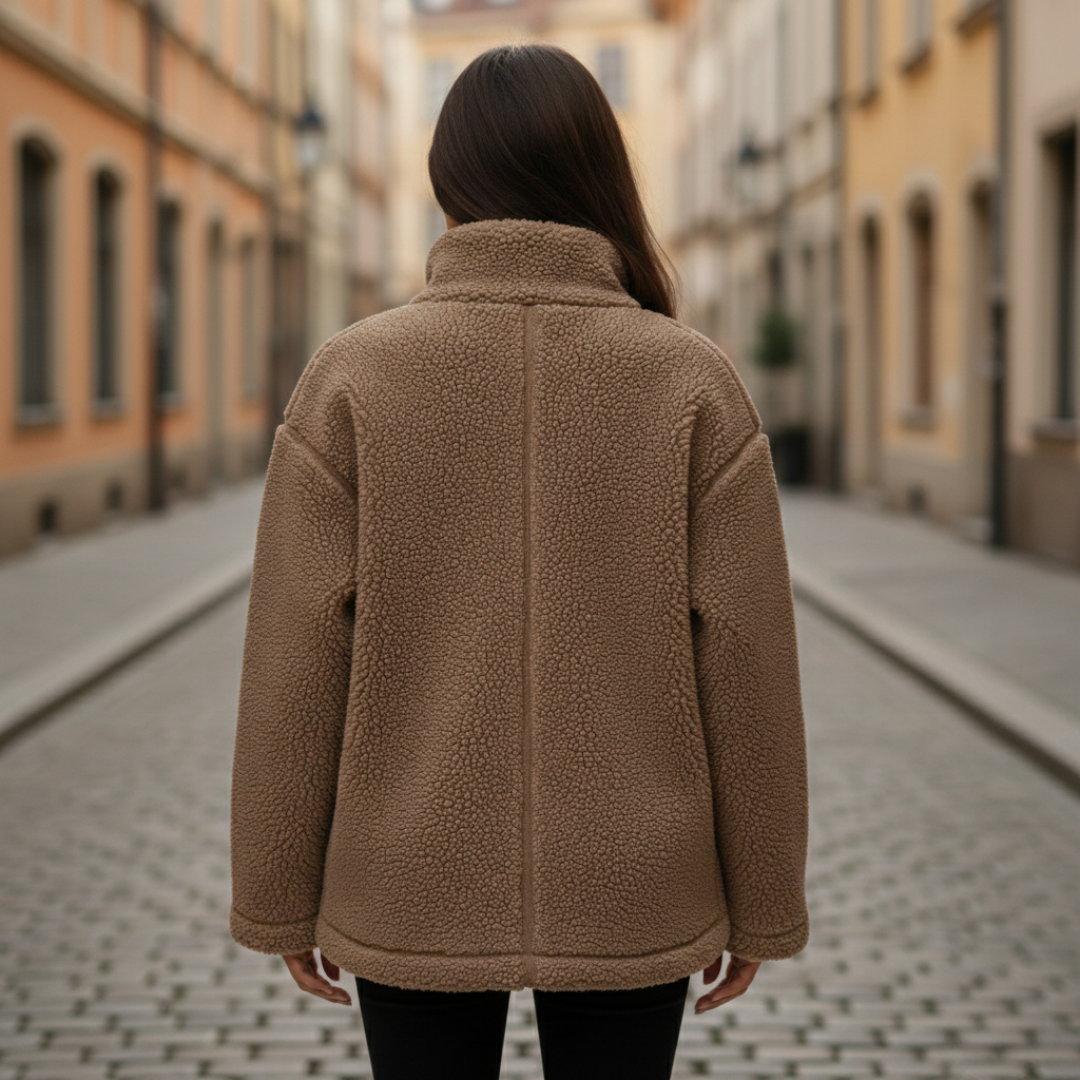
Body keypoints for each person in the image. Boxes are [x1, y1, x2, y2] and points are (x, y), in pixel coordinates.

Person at [229, 42, 809, 1080]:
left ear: (447, 182)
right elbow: (751, 663)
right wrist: (765, 898)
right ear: (602, 176)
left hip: (409, 871)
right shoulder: (692, 379)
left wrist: (276, 889)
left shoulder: (355, 376)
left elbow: (294, 659)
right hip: (636, 876)